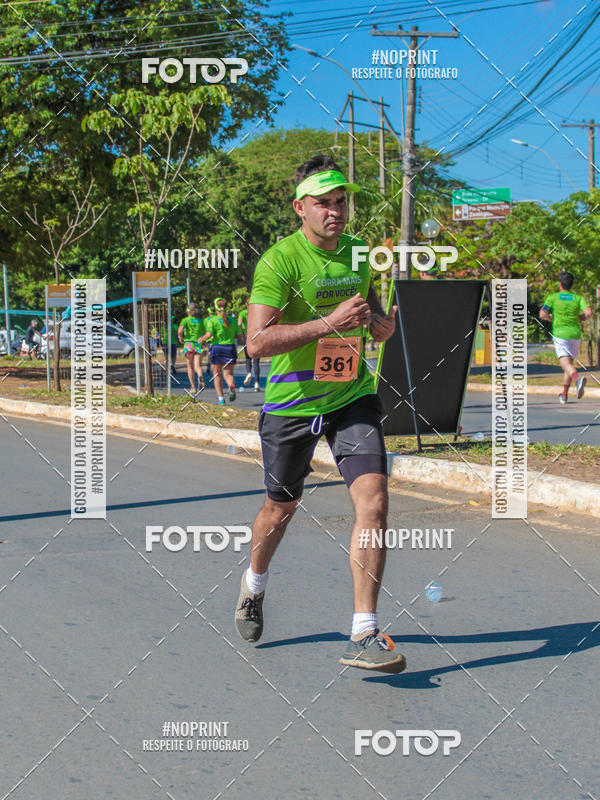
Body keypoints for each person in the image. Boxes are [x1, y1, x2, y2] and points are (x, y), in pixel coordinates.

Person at [234, 155, 404, 673]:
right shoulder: (279, 262)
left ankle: (363, 631)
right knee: (280, 509)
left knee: (373, 502)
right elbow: (257, 343)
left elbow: (371, 316)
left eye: (341, 202)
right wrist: (328, 324)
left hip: (351, 395)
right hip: (292, 404)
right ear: (300, 208)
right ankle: (254, 583)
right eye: (324, 203)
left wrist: (380, 327)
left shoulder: (358, 255)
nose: (335, 211)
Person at [540, 271, 592, 404]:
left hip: (560, 334)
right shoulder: (578, 298)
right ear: (571, 285)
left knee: (565, 364)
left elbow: (542, 314)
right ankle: (564, 395)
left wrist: (551, 318)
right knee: (569, 364)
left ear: (560, 284)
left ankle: (577, 379)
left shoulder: (553, 297)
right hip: (575, 334)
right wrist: (579, 318)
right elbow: (588, 313)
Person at [200, 297, 243, 406]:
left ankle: (221, 399)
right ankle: (231, 386)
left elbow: (209, 335)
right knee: (228, 373)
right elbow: (239, 336)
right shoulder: (233, 320)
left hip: (217, 349)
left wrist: (201, 339)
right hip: (230, 348)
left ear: (215, 308)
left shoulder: (212, 320)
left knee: (217, 375)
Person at [178, 303, 206, 393]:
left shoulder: (185, 320)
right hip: (198, 344)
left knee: (190, 366)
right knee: (197, 365)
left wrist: (180, 337)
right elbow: (205, 333)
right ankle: (200, 377)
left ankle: (193, 387)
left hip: (189, 344)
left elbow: (180, 330)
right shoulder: (201, 321)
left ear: (187, 310)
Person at [238, 297, 261, 391]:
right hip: (257, 335)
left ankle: (248, 373)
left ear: (246, 304)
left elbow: (239, 323)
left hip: (247, 335)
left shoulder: (243, 313)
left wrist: (242, 331)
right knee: (256, 360)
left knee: (248, 357)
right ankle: (256, 383)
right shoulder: (258, 312)